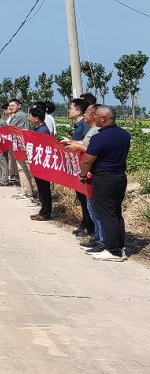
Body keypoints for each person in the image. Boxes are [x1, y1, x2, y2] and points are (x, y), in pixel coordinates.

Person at [81, 106, 130, 261]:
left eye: (96, 115)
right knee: (116, 213)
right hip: (119, 177)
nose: (94, 117)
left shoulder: (99, 137)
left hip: (104, 178)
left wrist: (82, 175)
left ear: (103, 118)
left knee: (107, 215)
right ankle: (120, 247)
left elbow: (88, 160)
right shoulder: (124, 134)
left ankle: (113, 251)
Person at [64, 102, 106, 253]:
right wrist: (72, 143)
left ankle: (102, 241)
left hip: (94, 174)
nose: (84, 114)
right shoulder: (92, 130)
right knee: (91, 207)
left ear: (95, 115)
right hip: (88, 173)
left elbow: (91, 151)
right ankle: (98, 238)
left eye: (87, 112)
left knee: (97, 209)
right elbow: (86, 145)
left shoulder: (97, 132)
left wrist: (78, 147)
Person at [63, 98, 94, 238]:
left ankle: (89, 225)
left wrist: (75, 144)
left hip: (85, 168)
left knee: (85, 197)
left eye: (71, 108)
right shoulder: (79, 125)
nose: (69, 111)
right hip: (78, 167)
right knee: (81, 197)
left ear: (79, 111)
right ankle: (85, 223)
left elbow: (88, 146)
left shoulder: (86, 126)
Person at [28, 106, 54, 221]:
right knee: (41, 188)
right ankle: (43, 210)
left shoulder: (42, 131)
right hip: (38, 162)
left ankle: (46, 212)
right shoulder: (39, 129)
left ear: (36, 118)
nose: (29, 118)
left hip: (42, 164)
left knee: (44, 188)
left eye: (30, 116)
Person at [7, 99, 36, 199]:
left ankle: (27, 191)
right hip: (19, 145)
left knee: (23, 168)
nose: (10, 107)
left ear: (19, 106)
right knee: (21, 168)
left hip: (22, 145)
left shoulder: (19, 115)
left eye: (13, 105)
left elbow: (9, 127)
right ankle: (25, 190)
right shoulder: (17, 115)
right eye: (10, 106)